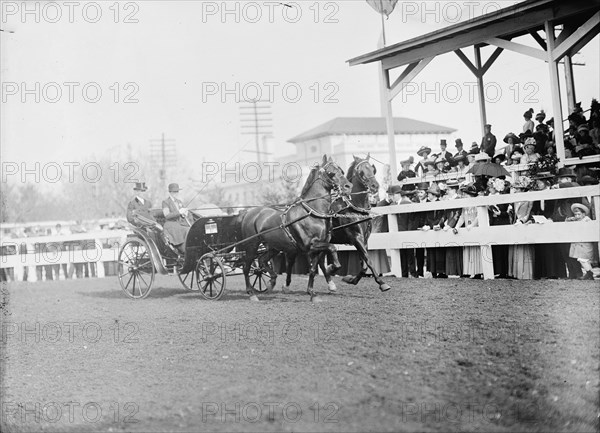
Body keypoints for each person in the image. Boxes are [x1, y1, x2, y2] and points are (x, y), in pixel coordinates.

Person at [566, 204, 596, 280]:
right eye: (575, 214)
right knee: (582, 260)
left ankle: (589, 274)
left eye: (579, 214)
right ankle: (589, 274)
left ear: (583, 214)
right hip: (579, 244)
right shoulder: (576, 220)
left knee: (583, 260)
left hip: (585, 243)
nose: (577, 216)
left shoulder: (587, 220)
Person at [162, 183, 191, 254]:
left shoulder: (179, 202)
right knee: (187, 230)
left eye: (177, 191)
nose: (175, 193)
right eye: (174, 192)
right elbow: (167, 215)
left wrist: (185, 213)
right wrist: (179, 212)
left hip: (179, 222)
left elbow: (182, 212)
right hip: (170, 224)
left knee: (191, 229)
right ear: (170, 192)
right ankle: (183, 249)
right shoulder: (165, 202)